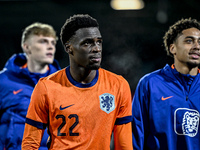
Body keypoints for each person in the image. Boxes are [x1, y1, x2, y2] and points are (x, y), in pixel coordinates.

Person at [22, 14, 133, 150]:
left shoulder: (118, 86)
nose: (97, 48)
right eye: (87, 43)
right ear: (69, 48)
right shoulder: (46, 87)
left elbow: (124, 145)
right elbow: (30, 143)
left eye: (99, 42)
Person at [132, 18, 200, 150]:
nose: (197, 46)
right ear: (172, 48)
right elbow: (136, 135)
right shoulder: (150, 84)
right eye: (189, 41)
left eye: (199, 42)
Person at [0, 22, 60, 150]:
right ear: (27, 47)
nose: (50, 47)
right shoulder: (3, 81)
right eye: (43, 42)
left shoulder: (63, 84)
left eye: (52, 43)